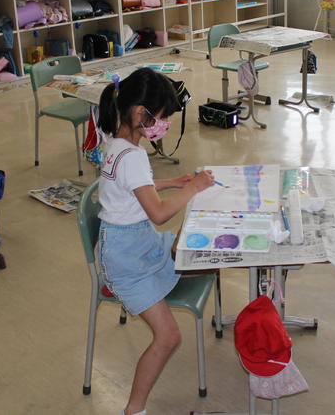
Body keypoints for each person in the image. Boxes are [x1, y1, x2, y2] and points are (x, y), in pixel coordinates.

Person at [95, 68, 214, 415]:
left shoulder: (117, 142)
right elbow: (159, 213)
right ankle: (134, 409)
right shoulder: (132, 156)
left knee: (202, 256)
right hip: (128, 261)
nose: (164, 125)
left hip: (133, 244)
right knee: (169, 337)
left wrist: (173, 182)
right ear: (140, 113)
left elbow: (133, 186)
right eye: (161, 117)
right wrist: (192, 189)